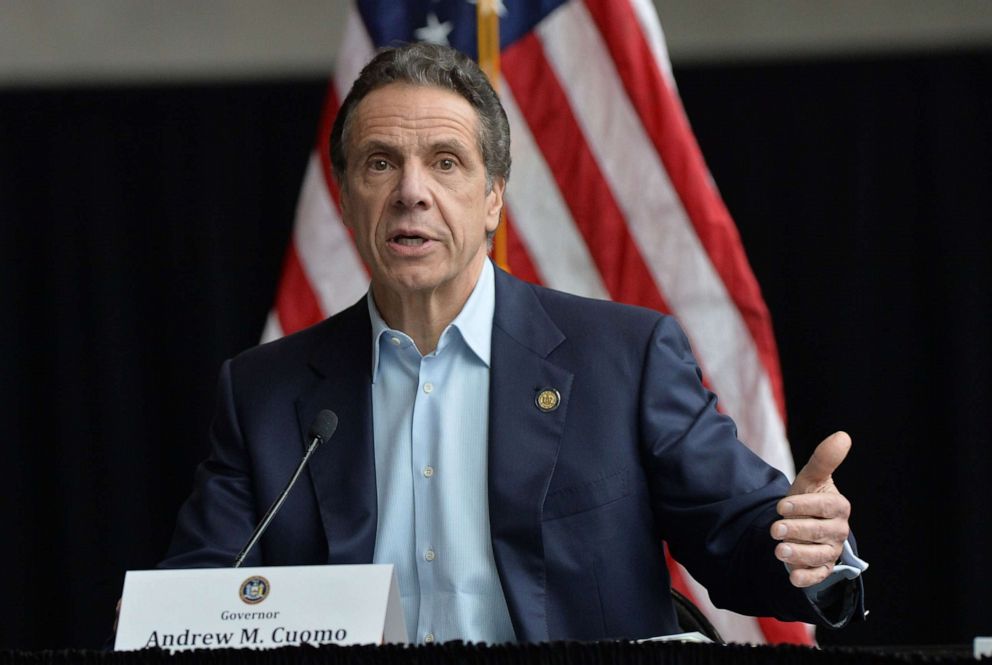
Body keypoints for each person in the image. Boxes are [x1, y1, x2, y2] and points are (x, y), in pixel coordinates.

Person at [160, 43, 865, 644]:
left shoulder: (622, 357)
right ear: (344, 198)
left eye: (445, 162)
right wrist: (164, 622)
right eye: (380, 163)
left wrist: (810, 547)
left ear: (493, 197)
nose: (412, 192)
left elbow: (740, 533)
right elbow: (197, 600)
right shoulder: (265, 391)